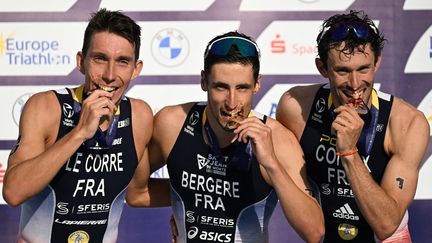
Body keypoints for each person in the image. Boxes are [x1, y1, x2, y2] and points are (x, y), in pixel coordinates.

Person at [134, 31, 325, 243]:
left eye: (242, 88)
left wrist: (271, 164)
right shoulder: (172, 123)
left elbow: (314, 232)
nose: (232, 102)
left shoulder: (278, 140)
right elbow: (137, 194)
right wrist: (186, 199)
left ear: (257, 84)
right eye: (221, 87)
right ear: (204, 81)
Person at [276, 10, 429, 243]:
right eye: (343, 71)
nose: (355, 84)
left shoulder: (407, 123)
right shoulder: (296, 107)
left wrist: (349, 153)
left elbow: (387, 225)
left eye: (363, 69)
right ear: (322, 68)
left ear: (377, 62)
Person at [2, 9, 153, 243]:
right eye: (100, 59)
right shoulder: (46, 107)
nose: (110, 75)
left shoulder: (140, 115)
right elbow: (13, 192)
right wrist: (79, 133)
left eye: (122, 62)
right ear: (81, 62)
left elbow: (138, 193)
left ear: (136, 69)